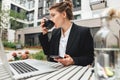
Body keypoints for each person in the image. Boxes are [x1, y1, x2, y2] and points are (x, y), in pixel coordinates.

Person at [39, 0, 94, 66]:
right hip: (55, 71)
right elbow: (48, 52)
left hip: (74, 72)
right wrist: (44, 33)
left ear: (64, 14)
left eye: (53, 15)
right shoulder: (55, 32)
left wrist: (73, 61)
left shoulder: (83, 32)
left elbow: (90, 58)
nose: (51, 19)